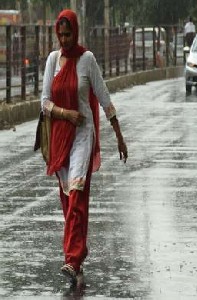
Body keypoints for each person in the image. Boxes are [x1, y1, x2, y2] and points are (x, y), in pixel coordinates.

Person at [41, 9, 128, 285]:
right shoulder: (53, 61)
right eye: (61, 35)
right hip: (60, 136)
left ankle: (72, 258)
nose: (64, 40)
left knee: (77, 194)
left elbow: (103, 97)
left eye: (68, 35)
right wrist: (65, 114)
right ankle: (79, 256)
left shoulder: (87, 60)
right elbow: (44, 103)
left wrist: (119, 134)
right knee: (68, 201)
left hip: (83, 135)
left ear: (75, 32)